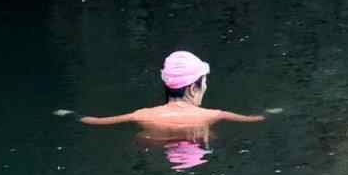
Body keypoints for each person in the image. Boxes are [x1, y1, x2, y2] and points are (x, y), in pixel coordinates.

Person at [79, 51, 265, 133]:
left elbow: (95, 121)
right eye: (204, 82)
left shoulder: (142, 115)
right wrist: (275, 112)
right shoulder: (214, 115)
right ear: (193, 88)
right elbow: (256, 119)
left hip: (155, 145)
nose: (206, 87)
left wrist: (69, 114)